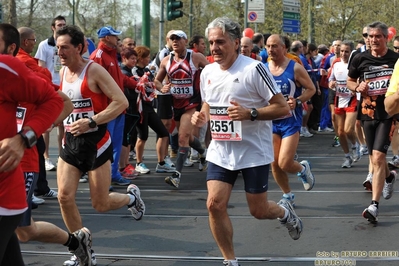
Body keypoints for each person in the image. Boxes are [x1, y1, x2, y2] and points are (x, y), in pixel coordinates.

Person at [191, 17, 302, 266]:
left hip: (252, 150)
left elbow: (282, 107)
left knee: (258, 211)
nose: (214, 48)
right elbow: (208, 103)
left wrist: (250, 113)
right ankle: (230, 260)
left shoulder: (253, 69)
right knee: (214, 205)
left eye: (220, 42)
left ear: (234, 41)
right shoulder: (207, 71)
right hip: (221, 150)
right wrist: (202, 116)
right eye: (211, 43)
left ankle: (285, 213)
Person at [55, 25, 145, 265]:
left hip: (97, 142)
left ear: (80, 48)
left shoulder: (94, 71)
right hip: (72, 142)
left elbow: (121, 102)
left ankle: (131, 199)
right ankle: (81, 251)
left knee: (101, 203)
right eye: (57, 47)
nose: (59, 52)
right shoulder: (62, 73)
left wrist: (92, 120)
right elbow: (66, 107)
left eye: (65, 47)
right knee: (64, 197)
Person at [347, 21, 399, 224]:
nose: (373, 40)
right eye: (370, 36)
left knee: (377, 157)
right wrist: (357, 87)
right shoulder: (359, 58)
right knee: (376, 158)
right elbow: (350, 81)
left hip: (388, 114)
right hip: (367, 113)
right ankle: (388, 177)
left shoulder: (395, 59)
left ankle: (374, 205)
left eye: (378, 36)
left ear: (386, 38)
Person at [264, 34, 316, 206]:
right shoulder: (262, 69)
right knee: (274, 163)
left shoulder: (295, 68)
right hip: (271, 121)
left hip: (290, 121)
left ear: (284, 48)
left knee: (285, 162)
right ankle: (288, 195)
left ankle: (302, 169)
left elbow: (311, 89)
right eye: (268, 46)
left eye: (275, 46)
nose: (271, 49)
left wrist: (298, 100)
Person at [155, 30, 209, 188]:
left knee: (182, 138)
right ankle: (202, 153)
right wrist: (162, 87)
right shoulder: (166, 60)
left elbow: (213, 72)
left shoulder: (195, 57)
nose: (175, 41)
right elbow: (156, 81)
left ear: (186, 41)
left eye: (178, 38)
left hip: (191, 103)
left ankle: (176, 176)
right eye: (172, 39)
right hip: (175, 104)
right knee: (187, 138)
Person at [90, 26, 140, 186]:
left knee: (116, 144)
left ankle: (113, 174)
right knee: (105, 145)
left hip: (118, 108)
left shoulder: (111, 56)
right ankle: (102, 178)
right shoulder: (98, 56)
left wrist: (137, 84)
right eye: (114, 36)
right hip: (108, 109)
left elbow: (120, 79)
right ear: (105, 38)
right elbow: (96, 85)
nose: (118, 39)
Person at [132, 45, 175, 174]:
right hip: (139, 108)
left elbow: (155, 81)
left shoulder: (146, 69)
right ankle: (139, 163)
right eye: (147, 57)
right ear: (141, 58)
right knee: (143, 136)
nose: (149, 59)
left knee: (163, 132)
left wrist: (162, 88)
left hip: (149, 107)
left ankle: (161, 163)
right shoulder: (134, 70)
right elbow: (139, 84)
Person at [35, 15, 67, 172]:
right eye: (59, 24)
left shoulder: (67, 44)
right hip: (49, 88)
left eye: (64, 24)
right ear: (53, 27)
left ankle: (63, 156)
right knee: (47, 124)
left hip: (63, 86)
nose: (61, 26)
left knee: (62, 124)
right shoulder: (44, 45)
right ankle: (47, 157)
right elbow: (40, 67)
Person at [328, 41, 360, 168]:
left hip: (351, 99)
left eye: (346, 51)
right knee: (340, 132)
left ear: (351, 52)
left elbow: (360, 79)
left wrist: (355, 87)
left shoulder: (355, 64)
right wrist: (332, 83)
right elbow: (331, 79)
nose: (343, 54)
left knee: (348, 129)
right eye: (342, 51)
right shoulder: (336, 64)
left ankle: (355, 145)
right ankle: (347, 157)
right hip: (339, 99)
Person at [119, 47, 140, 179]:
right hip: (128, 110)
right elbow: (127, 92)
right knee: (125, 139)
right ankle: (122, 166)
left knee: (129, 139)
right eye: (131, 58)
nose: (134, 60)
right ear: (124, 58)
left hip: (132, 109)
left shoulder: (129, 71)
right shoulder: (123, 73)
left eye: (135, 58)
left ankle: (125, 164)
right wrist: (139, 86)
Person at [387, 35, 399, 168]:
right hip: (395, 99)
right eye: (395, 48)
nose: (397, 50)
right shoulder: (393, 61)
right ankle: (396, 156)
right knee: (395, 128)